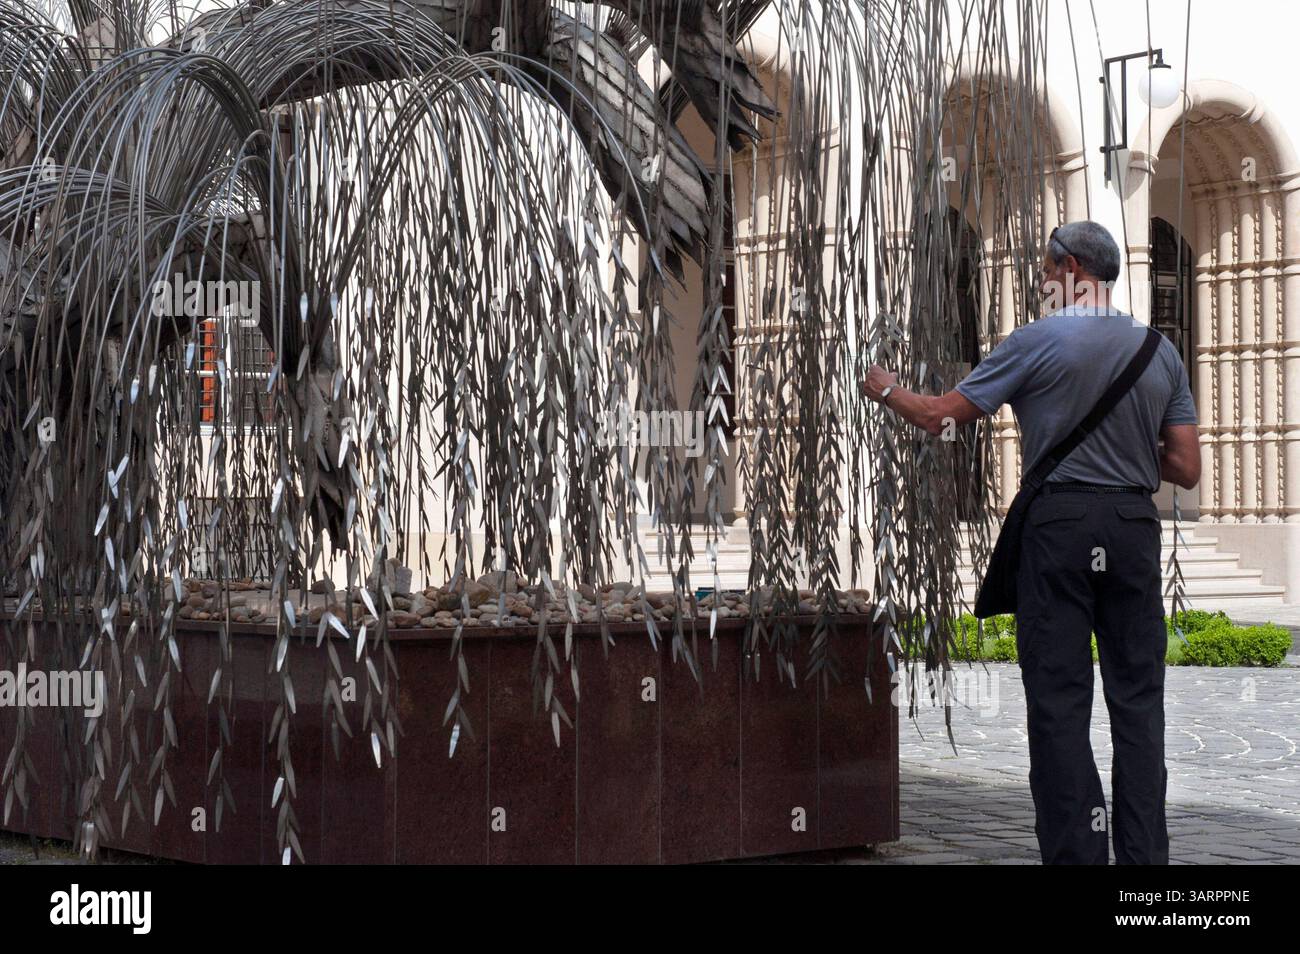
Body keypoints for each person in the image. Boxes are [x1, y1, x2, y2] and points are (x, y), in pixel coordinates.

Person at [860, 219, 1200, 865]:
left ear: (1071, 268)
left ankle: (1077, 856)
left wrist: (884, 387)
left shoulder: (1034, 342)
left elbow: (940, 417)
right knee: (1138, 703)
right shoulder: (1161, 352)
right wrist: (1127, 450)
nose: (1042, 280)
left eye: (1046, 270)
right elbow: (1185, 467)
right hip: (1132, 531)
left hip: (1061, 528)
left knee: (1059, 701)